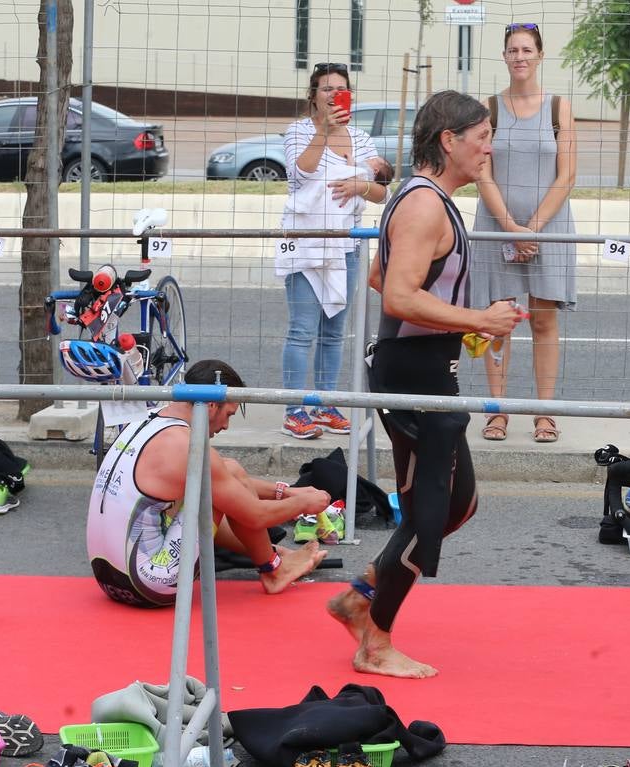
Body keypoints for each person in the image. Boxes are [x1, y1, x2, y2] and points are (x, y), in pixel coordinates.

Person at [326, 91, 527, 678]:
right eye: (482, 135)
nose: (489, 146)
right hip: (413, 373)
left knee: (454, 503)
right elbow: (395, 295)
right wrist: (476, 320)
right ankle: (376, 644)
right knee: (430, 510)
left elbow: (379, 276)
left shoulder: (429, 200)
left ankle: (360, 596)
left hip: (424, 365)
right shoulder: (423, 205)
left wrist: (456, 326)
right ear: (449, 140)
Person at [86, 359, 332, 609]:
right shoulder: (187, 444)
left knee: (222, 476)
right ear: (211, 405)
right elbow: (255, 515)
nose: (226, 425)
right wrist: (304, 502)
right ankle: (273, 570)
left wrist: (285, 491)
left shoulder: (146, 421)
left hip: (108, 580)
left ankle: (272, 557)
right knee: (227, 478)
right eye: (228, 415)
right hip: (149, 585)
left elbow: (223, 480)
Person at [473, 22, 577, 444]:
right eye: (513, 50)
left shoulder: (558, 108)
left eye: (527, 50)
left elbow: (567, 173)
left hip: (547, 227)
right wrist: (509, 228)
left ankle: (544, 413)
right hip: (498, 226)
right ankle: (497, 411)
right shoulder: (489, 110)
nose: (520, 57)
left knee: (542, 322)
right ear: (504, 56)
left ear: (539, 56)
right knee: (499, 322)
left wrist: (531, 229)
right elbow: (482, 173)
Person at [276, 61, 388, 440]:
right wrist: (322, 132)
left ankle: (325, 403)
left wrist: (360, 187)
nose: (333, 95)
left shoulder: (360, 137)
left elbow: (382, 191)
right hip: (306, 240)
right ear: (313, 96)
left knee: (334, 330)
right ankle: (295, 409)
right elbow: (301, 173)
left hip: (347, 245)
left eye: (340, 89)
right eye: (326, 89)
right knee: (302, 329)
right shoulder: (298, 132)